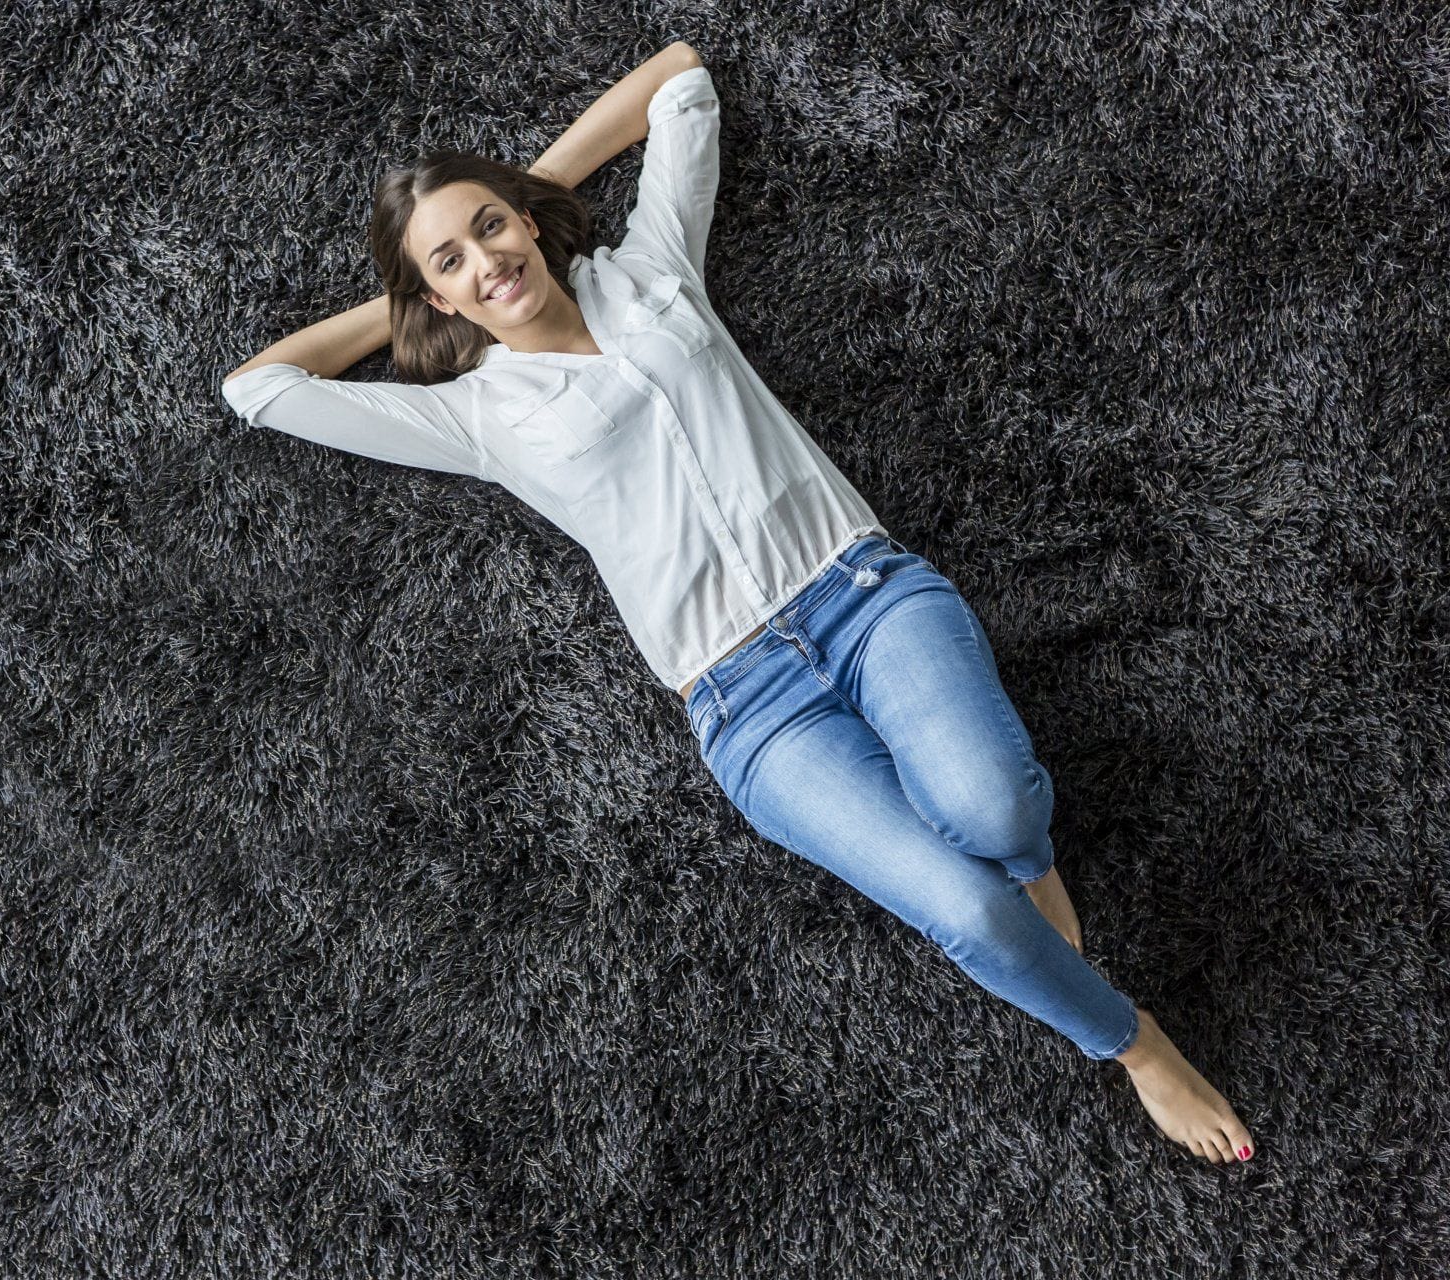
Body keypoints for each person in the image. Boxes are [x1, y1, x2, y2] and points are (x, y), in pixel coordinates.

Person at [220, 42, 1257, 1165]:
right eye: (451, 263)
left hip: (862, 595)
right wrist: (419, 296)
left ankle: (1026, 854)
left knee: (998, 817)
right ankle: (1137, 1044)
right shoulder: (476, 415)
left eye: (493, 228)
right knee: (966, 916)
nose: (487, 262)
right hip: (749, 707)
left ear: (527, 218)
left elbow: (677, 79)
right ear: (431, 293)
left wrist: (526, 193)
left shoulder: (652, 269)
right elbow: (261, 387)